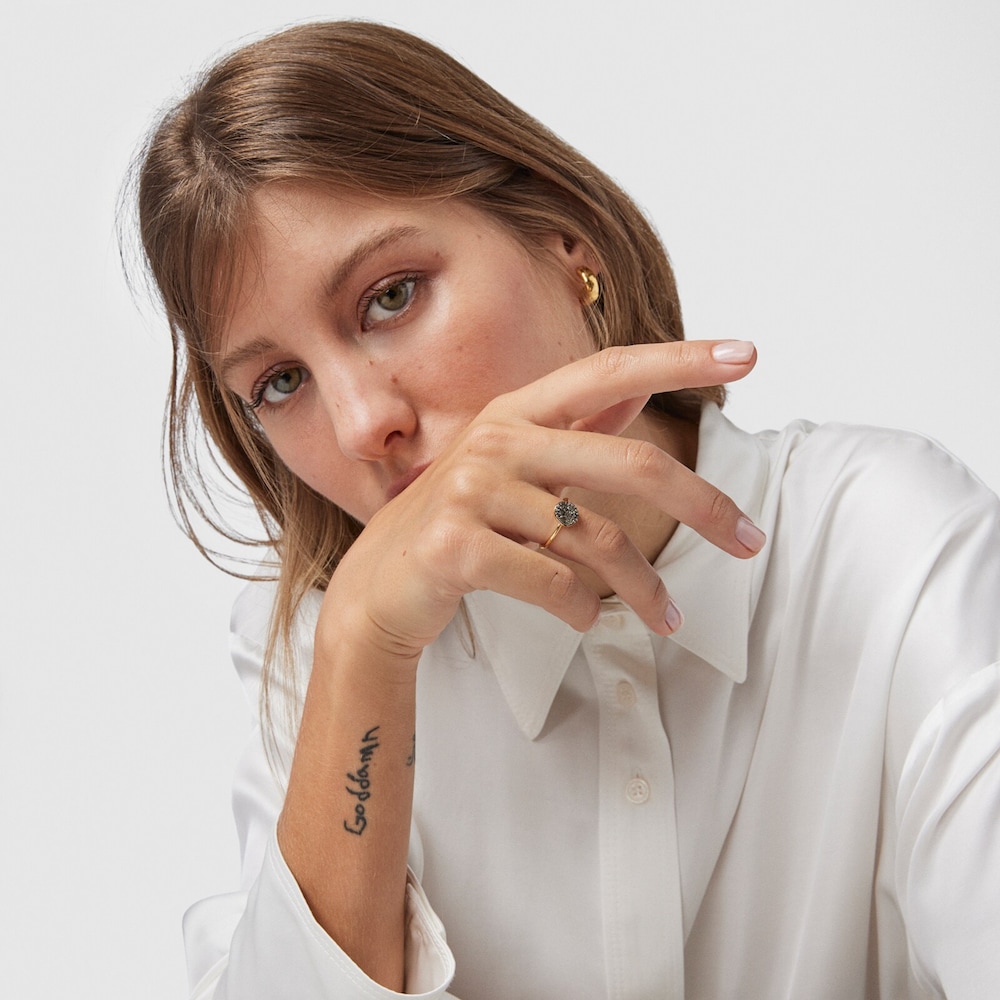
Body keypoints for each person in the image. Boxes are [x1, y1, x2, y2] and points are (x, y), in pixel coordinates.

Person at [132, 20, 1000, 1000]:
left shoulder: (889, 548)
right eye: (282, 381)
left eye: (392, 295)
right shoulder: (318, 649)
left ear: (564, 243)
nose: (364, 422)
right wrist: (360, 659)